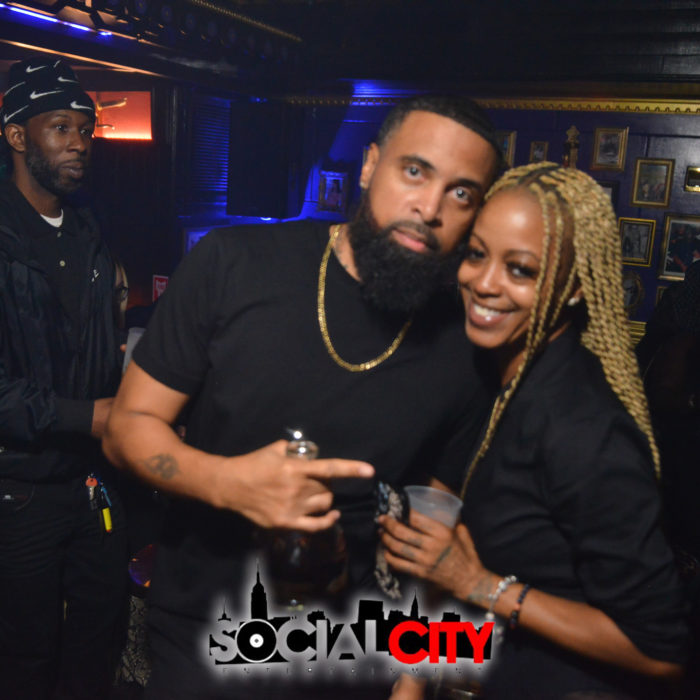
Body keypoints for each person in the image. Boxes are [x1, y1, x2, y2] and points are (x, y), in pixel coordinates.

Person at [102, 95, 502, 698]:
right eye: (415, 171)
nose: (430, 208)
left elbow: (429, 532)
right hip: (205, 639)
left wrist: (414, 679)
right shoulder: (233, 265)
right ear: (370, 165)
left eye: (461, 193)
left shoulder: (465, 347)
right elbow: (126, 427)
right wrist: (229, 483)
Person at [380, 163, 689, 699]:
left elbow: (662, 652)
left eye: (520, 270)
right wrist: (413, 683)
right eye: (477, 254)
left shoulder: (583, 430)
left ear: (575, 287)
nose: (484, 283)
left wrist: (482, 586)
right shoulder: (493, 377)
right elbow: (450, 550)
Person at [0, 57, 127, 699]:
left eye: (85, 129)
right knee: (26, 652)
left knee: (100, 635)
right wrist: (90, 416)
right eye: (60, 128)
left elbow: (96, 351)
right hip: (18, 491)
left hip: (91, 479)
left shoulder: (87, 232)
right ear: (16, 136)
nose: (79, 142)